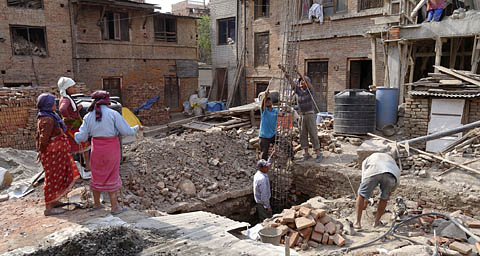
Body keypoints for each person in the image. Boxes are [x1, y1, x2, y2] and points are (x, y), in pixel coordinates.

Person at [74, 91, 140, 215]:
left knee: (96, 175)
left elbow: (81, 137)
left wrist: (74, 136)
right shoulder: (113, 114)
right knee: (112, 175)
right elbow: (126, 131)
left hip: (97, 149)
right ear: (107, 100)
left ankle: (97, 204)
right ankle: (114, 207)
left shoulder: (88, 116)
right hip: (111, 149)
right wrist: (136, 128)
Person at [35, 93, 80, 216]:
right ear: (48, 105)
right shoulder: (47, 120)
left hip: (58, 154)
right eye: (52, 103)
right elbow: (43, 139)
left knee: (59, 176)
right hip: (52, 154)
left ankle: (54, 201)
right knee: (52, 179)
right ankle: (49, 207)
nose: (55, 105)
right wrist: (41, 151)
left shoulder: (51, 116)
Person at [279, 65, 322, 163]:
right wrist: (285, 71)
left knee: (313, 134)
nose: (301, 82)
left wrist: (298, 72)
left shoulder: (309, 91)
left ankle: (318, 153)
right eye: (300, 81)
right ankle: (306, 154)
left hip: (310, 114)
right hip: (302, 115)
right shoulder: (298, 91)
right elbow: (290, 81)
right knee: (302, 135)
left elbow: (306, 82)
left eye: (303, 81)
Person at [354, 152, 401, 230]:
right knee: (384, 198)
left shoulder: (368, 159)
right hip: (390, 174)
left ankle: (357, 223)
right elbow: (397, 181)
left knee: (361, 194)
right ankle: (376, 223)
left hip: (373, 170)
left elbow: (364, 177)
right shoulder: (392, 162)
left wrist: (365, 199)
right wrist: (389, 192)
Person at [58, 77, 90, 171]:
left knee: (74, 148)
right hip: (73, 127)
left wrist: (76, 108)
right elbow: (62, 109)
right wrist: (68, 117)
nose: (74, 89)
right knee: (84, 146)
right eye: (72, 87)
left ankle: (73, 170)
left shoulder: (67, 98)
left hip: (71, 127)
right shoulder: (66, 100)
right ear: (67, 88)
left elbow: (68, 109)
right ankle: (87, 166)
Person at [259, 90, 279, 160]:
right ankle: (263, 167)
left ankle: (291, 158)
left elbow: (282, 114)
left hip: (273, 134)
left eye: (269, 100)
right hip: (264, 136)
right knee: (264, 153)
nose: (268, 102)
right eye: (266, 101)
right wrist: (266, 96)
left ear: (271, 101)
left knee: (285, 143)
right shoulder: (264, 111)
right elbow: (262, 106)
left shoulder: (275, 111)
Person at [254, 156, 274, 221]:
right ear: (261, 168)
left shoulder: (259, 173)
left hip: (260, 202)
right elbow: (264, 196)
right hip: (263, 203)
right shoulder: (262, 179)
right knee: (266, 220)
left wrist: (271, 157)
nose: (268, 168)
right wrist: (268, 207)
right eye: (266, 167)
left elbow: (268, 165)